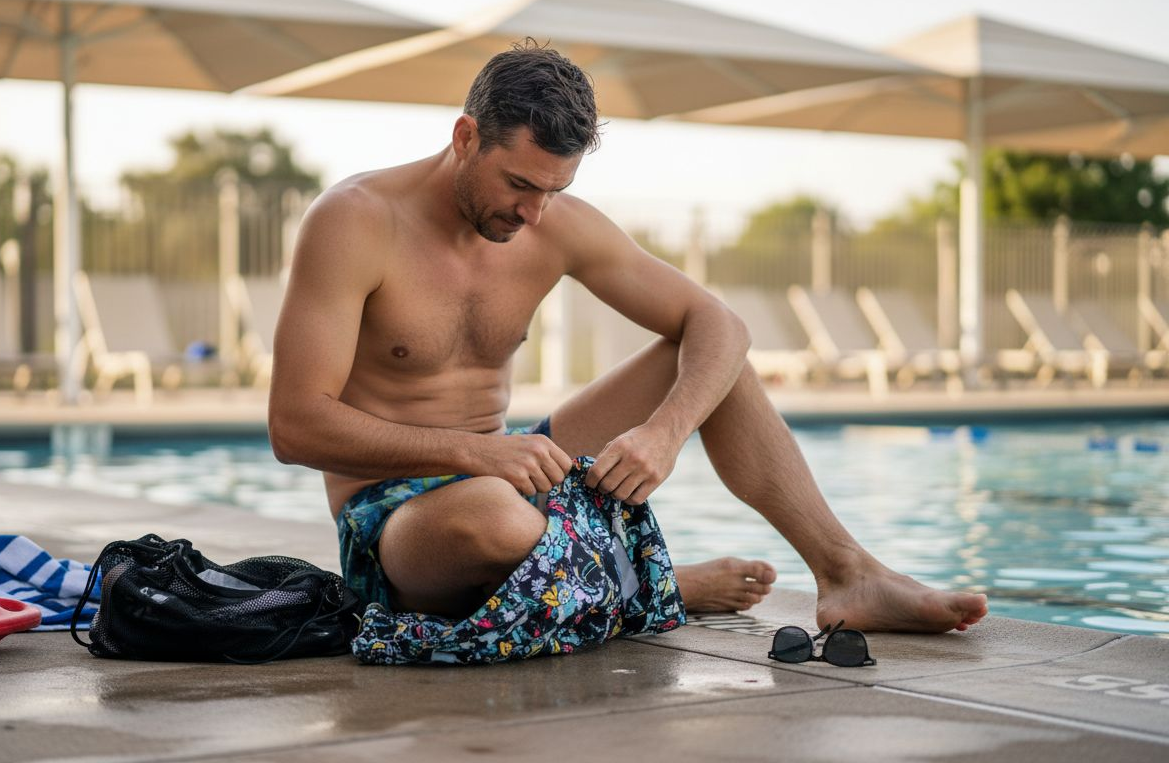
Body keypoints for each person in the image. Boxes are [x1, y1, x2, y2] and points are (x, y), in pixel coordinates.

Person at [268, 41, 988, 633]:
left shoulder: (554, 222)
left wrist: (666, 434)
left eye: (554, 189)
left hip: (517, 473)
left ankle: (847, 573)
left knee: (711, 357)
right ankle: (664, 587)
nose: (536, 213)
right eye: (520, 183)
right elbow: (296, 426)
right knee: (494, 520)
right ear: (465, 137)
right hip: (399, 517)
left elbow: (719, 323)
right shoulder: (355, 222)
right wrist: (470, 449)